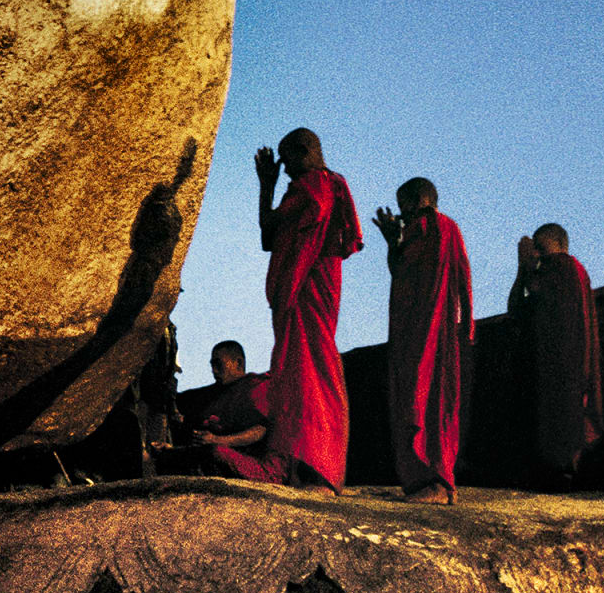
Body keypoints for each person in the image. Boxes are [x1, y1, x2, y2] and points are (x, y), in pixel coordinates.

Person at [255, 128, 363, 491]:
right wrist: (271, 187)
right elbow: (269, 239)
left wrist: (266, 185)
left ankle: (321, 468)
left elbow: (270, 226)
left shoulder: (315, 185)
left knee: (313, 372)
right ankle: (300, 463)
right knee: (298, 373)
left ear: (303, 151)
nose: (284, 172)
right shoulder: (318, 186)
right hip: (300, 290)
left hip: (309, 286)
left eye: (286, 163)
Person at [372, 177, 473, 503]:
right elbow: (401, 273)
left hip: (432, 330)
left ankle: (440, 481)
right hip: (411, 329)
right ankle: (421, 479)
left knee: (430, 397)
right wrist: (392, 241)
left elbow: (448, 278)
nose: (401, 213)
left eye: (403, 206)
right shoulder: (419, 231)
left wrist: (463, 326)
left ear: (417, 201)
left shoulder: (439, 227)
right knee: (413, 396)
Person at [509, 222, 603, 484]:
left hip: (562, 361)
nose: (536, 254)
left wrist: (525, 267)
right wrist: (522, 271)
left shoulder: (562, 267)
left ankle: (563, 471)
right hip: (552, 359)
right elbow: (517, 309)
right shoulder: (562, 270)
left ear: (558, 245)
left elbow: (529, 299)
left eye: (540, 248)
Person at [190, 340, 277, 480]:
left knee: (214, 452)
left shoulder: (256, 387)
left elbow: (260, 430)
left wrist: (217, 440)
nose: (214, 371)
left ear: (238, 363)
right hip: (228, 457)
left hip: (259, 465)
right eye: (212, 365)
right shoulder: (215, 395)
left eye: (219, 364)